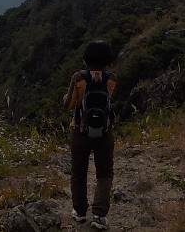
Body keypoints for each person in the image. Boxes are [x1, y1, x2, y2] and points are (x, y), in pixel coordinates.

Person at [63, 40, 117, 230]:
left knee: (78, 172)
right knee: (104, 173)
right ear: (108, 60)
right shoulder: (111, 79)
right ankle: (99, 215)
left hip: (80, 131)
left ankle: (79, 212)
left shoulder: (78, 78)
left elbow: (68, 104)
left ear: (85, 58)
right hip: (104, 132)